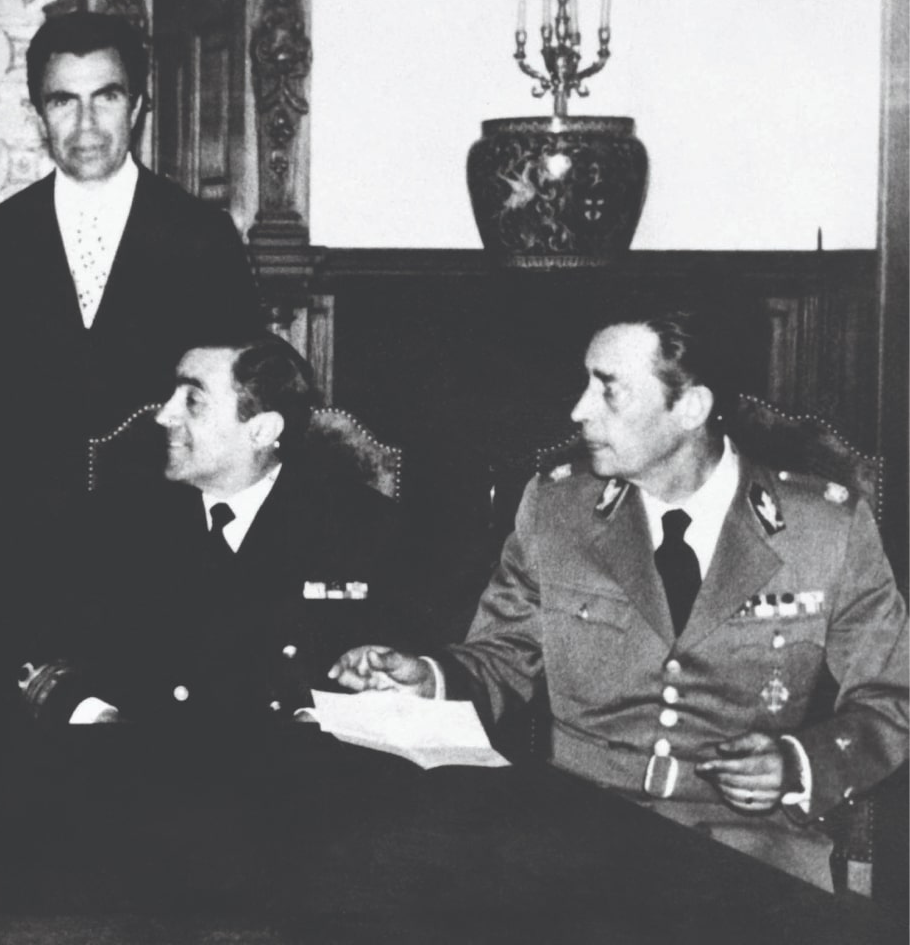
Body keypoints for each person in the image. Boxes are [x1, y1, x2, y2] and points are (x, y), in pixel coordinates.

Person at [330, 310, 908, 889]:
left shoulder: (824, 528)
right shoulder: (556, 511)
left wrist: (798, 763)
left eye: (608, 391)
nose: (579, 410)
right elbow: (503, 655)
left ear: (689, 409)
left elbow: (893, 696)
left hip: (750, 854)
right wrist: (428, 678)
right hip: (569, 839)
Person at [0, 11, 261, 678]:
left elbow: (233, 407)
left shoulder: (200, 236)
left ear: (140, 106)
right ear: (39, 114)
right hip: (30, 563)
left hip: (169, 566)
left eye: (107, 96)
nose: (86, 124)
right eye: (64, 100)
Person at [20, 333, 407, 725]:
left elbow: (385, 670)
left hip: (293, 771)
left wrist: (319, 721)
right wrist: (95, 717)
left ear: (261, 430)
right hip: (136, 764)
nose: (163, 415)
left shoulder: (357, 525)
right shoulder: (114, 517)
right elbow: (40, 645)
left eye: (192, 401)